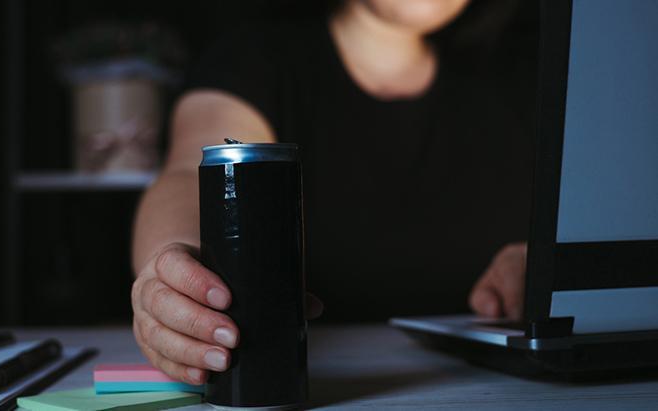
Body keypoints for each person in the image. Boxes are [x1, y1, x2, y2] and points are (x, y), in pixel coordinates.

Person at [131, 0, 537, 385]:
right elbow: (193, 172)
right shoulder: (253, 58)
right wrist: (178, 271)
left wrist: (543, 265)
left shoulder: (523, 79)